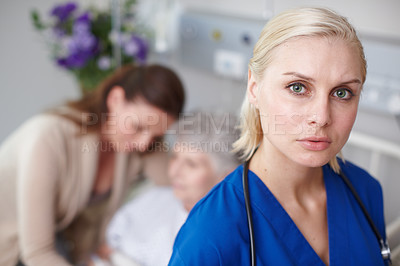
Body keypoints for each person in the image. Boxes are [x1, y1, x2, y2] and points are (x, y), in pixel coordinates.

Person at [169, 7, 389, 266]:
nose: (321, 117)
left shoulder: (365, 191)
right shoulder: (210, 236)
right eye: (297, 88)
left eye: (342, 93)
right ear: (254, 88)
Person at [0, 64, 185, 266]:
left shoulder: (137, 145)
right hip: (11, 250)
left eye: (156, 136)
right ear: (115, 100)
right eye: (138, 127)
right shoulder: (48, 137)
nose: (144, 143)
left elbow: (179, 184)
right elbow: (37, 254)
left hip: (56, 246)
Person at [94, 112, 241, 266]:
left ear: (227, 176)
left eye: (191, 164)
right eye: (174, 157)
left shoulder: (225, 234)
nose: (174, 171)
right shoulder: (154, 197)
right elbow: (102, 251)